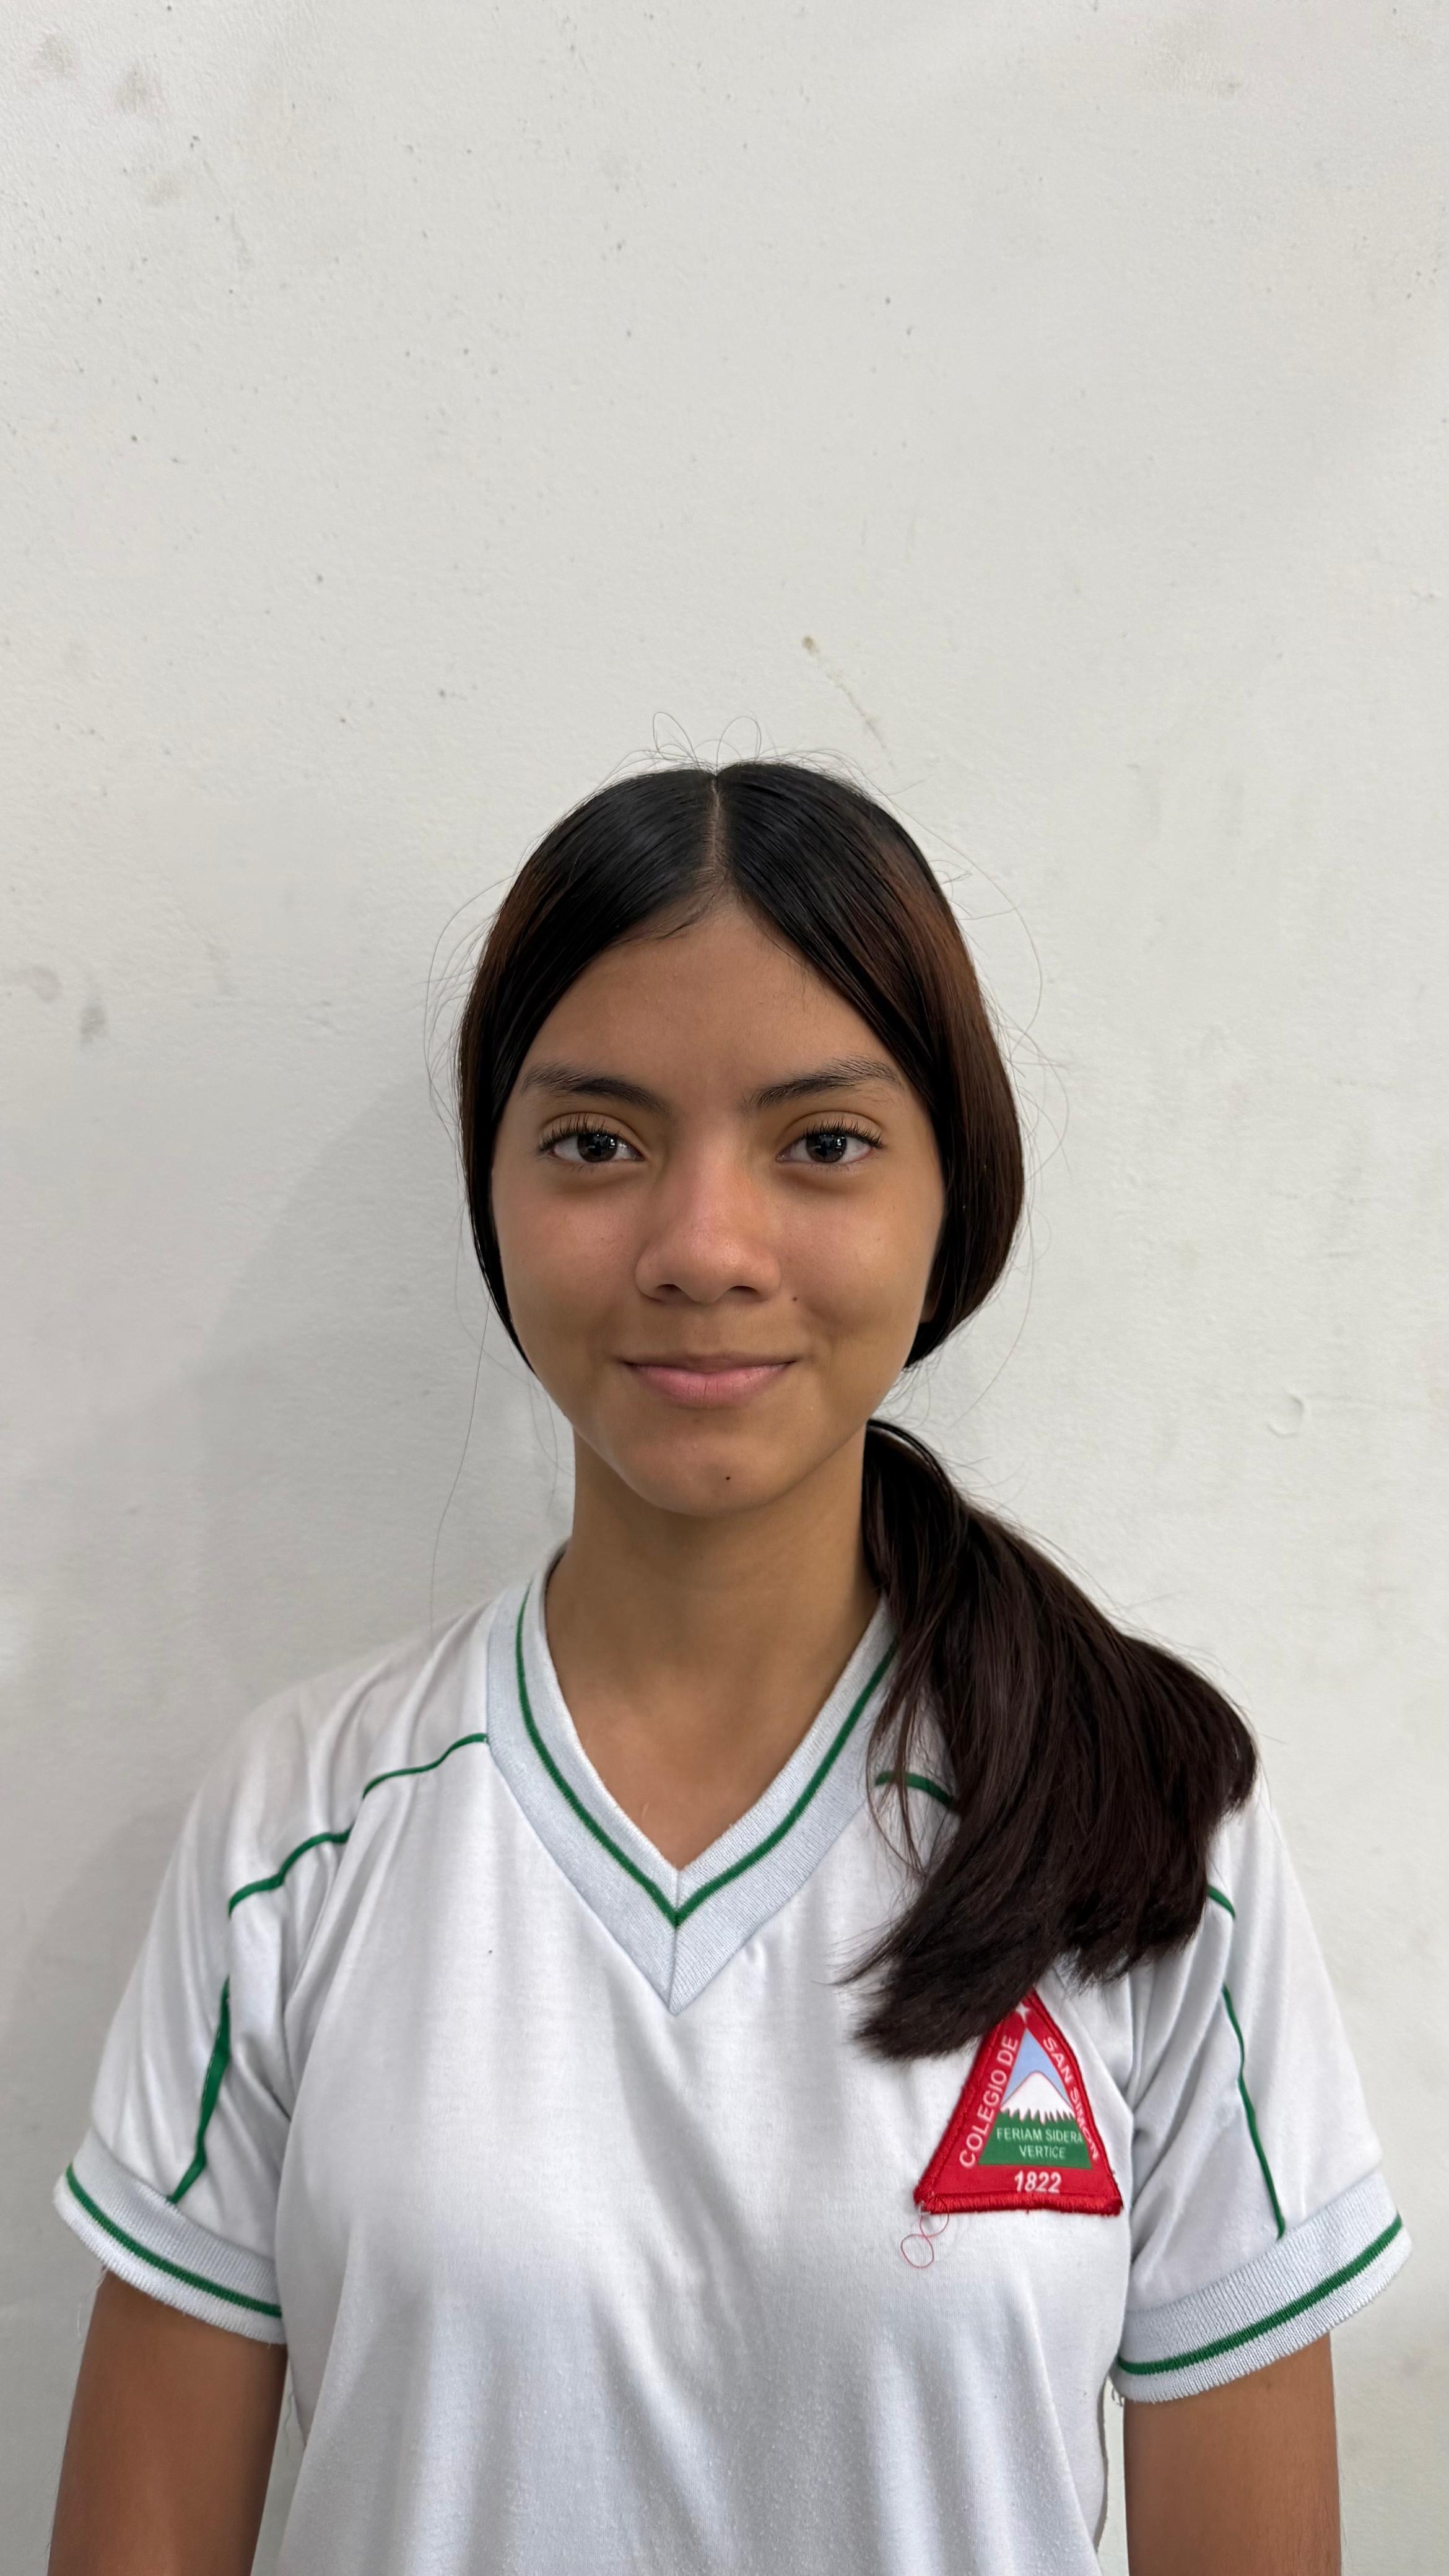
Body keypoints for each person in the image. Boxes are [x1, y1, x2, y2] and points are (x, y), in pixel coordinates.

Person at [48, 762, 1407, 2576]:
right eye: (596, 1143)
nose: (701, 1248)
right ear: (492, 1190)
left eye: (821, 1143)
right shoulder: (296, 1827)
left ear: (952, 1194)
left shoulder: (1152, 1821)